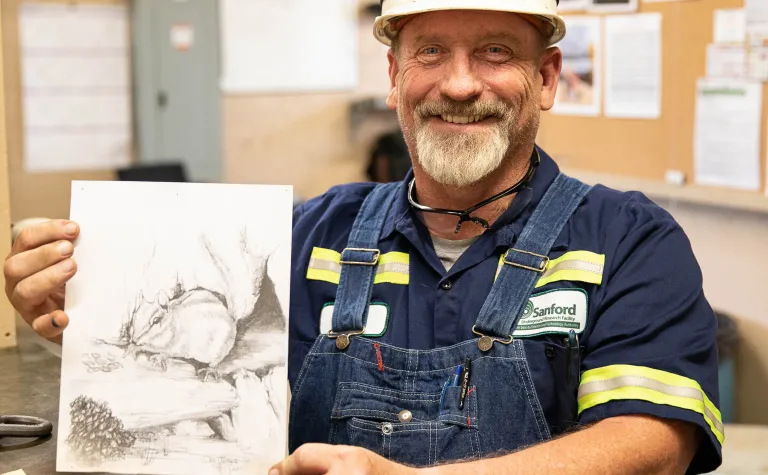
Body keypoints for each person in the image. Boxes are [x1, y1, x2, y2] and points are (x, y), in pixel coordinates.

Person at [4, 0, 724, 474]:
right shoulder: (308, 234)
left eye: (496, 52)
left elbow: (652, 445)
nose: (461, 84)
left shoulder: (629, 240)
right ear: (394, 75)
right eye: (431, 52)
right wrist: (81, 307)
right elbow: (211, 365)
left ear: (546, 78)